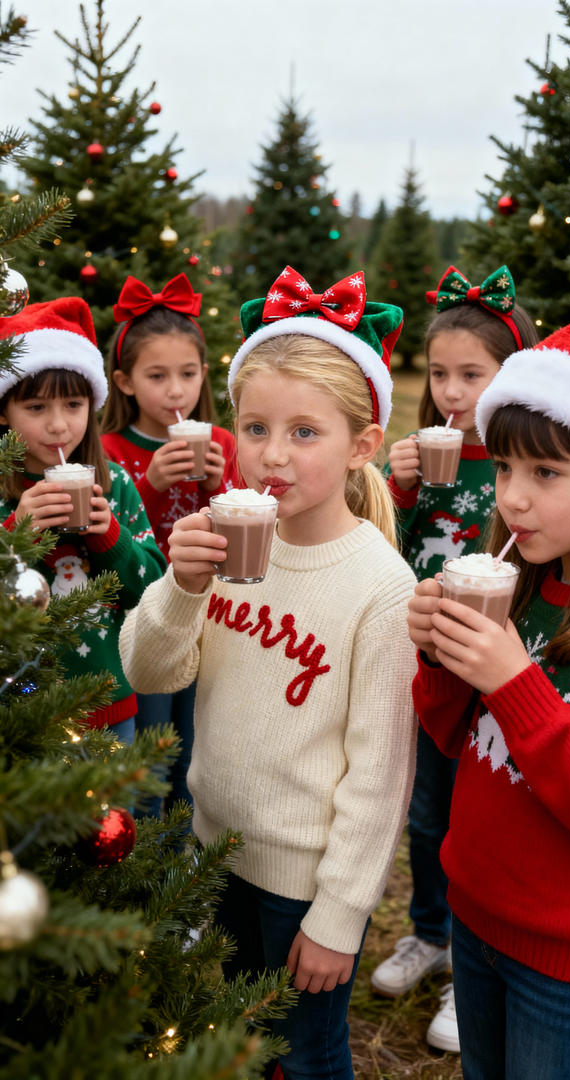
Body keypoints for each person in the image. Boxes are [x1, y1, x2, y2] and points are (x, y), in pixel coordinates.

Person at [119, 266, 418, 1078]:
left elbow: (380, 774)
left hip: (303, 883)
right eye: (254, 429)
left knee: (306, 1055)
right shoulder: (225, 539)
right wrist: (180, 587)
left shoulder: (381, 588)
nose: (271, 456)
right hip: (216, 851)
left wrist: (341, 915)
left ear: (363, 445)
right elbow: (151, 669)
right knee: (242, 1034)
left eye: (304, 433)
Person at [408, 286, 570, 1080]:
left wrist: (517, 683)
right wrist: (438, 656)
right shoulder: (519, 587)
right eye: (508, 468)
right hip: (475, 918)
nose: (513, 496)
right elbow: (453, 738)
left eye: (548, 472)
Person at [373, 266, 539, 1053]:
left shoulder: (520, 470)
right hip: (430, 659)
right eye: (439, 374)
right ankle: (431, 933)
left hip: (500, 666)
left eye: (472, 375)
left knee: (480, 808)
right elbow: (378, 553)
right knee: (427, 807)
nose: (450, 391)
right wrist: (396, 493)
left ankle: (469, 972)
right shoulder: (418, 462)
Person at [101, 274, 240, 816]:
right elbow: (110, 534)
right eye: (157, 376)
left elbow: (245, 531)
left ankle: (185, 860)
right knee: (155, 748)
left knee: (199, 745)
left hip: (214, 614)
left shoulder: (221, 443)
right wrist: (151, 486)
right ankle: (149, 853)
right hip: (150, 617)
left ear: (204, 374)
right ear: (126, 381)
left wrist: (214, 487)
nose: (176, 390)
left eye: (187, 374)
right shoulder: (111, 450)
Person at [0, 297, 165, 742]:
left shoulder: (115, 485)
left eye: (73, 405)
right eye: (36, 408)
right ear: (3, 412)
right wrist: (17, 535)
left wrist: (111, 535)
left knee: (116, 814)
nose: (59, 426)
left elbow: (154, 590)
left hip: (109, 704)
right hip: (21, 706)